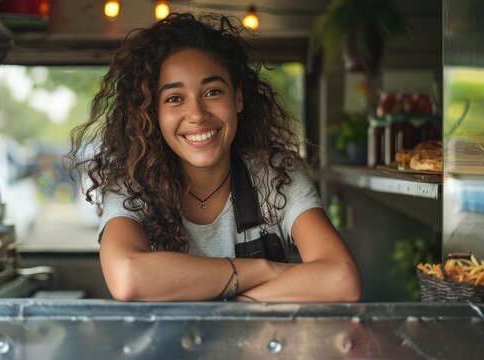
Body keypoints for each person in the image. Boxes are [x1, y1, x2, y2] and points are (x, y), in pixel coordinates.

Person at [66, 13, 361, 302]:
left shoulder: (276, 174)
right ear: (152, 113)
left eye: (212, 92)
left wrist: (234, 307)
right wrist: (264, 270)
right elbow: (128, 277)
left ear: (238, 99)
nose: (196, 114)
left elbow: (341, 278)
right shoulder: (131, 186)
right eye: (174, 98)